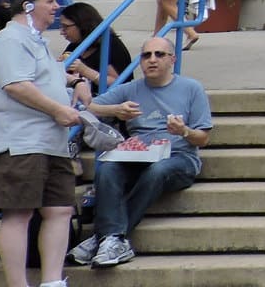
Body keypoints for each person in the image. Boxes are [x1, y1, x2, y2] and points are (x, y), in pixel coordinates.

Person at [71, 36, 214, 268]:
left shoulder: (191, 88)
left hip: (179, 158)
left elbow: (204, 138)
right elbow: (86, 107)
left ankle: (105, 237)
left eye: (159, 54)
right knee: (107, 168)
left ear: (172, 59)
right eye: (146, 55)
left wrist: (183, 131)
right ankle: (113, 239)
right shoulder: (131, 89)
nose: (152, 60)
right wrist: (115, 110)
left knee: (157, 171)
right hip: (137, 157)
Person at [0, 0, 82, 287]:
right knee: (19, 214)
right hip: (18, 141)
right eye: (49, 1)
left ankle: (52, 282)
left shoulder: (38, 42)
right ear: (27, 6)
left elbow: (51, 81)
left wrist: (77, 85)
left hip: (51, 142)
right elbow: (16, 85)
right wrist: (57, 110)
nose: (55, 7)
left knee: (60, 210)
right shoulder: (10, 39)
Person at [57, 2, 131, 100]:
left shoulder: (110, 45)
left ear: (82, 25)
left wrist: (84, 70)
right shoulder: (74, 46)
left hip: (110, 102)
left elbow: (118, 83)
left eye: (65, 27)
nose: (62, 32)